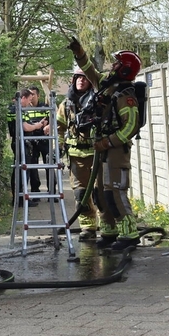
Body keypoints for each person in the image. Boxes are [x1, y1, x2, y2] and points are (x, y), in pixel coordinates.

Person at [67, 38, 143, 251]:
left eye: (117, 64)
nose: (113, 66)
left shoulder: (125, 96)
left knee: (114, 192)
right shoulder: (107, 85)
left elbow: (131, 128)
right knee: (100, 192)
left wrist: (108, 142)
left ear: (125, 69)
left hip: (115, 150)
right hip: (101, 148)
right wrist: (80, 52)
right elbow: (89, 70)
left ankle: (129, 234)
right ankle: (109, 231)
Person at [56, 66, 101, 241]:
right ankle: (88, 228)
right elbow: (59, 129)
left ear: (91, 81)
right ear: (73, 80)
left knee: (100, 194)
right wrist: (58, 148)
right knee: (81, 194)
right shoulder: (66, 105)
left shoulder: (98, 101)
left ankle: (106, 227)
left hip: (97, 156)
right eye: (77, 78)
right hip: (76, 157)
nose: (81, 80)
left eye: (84, 78)